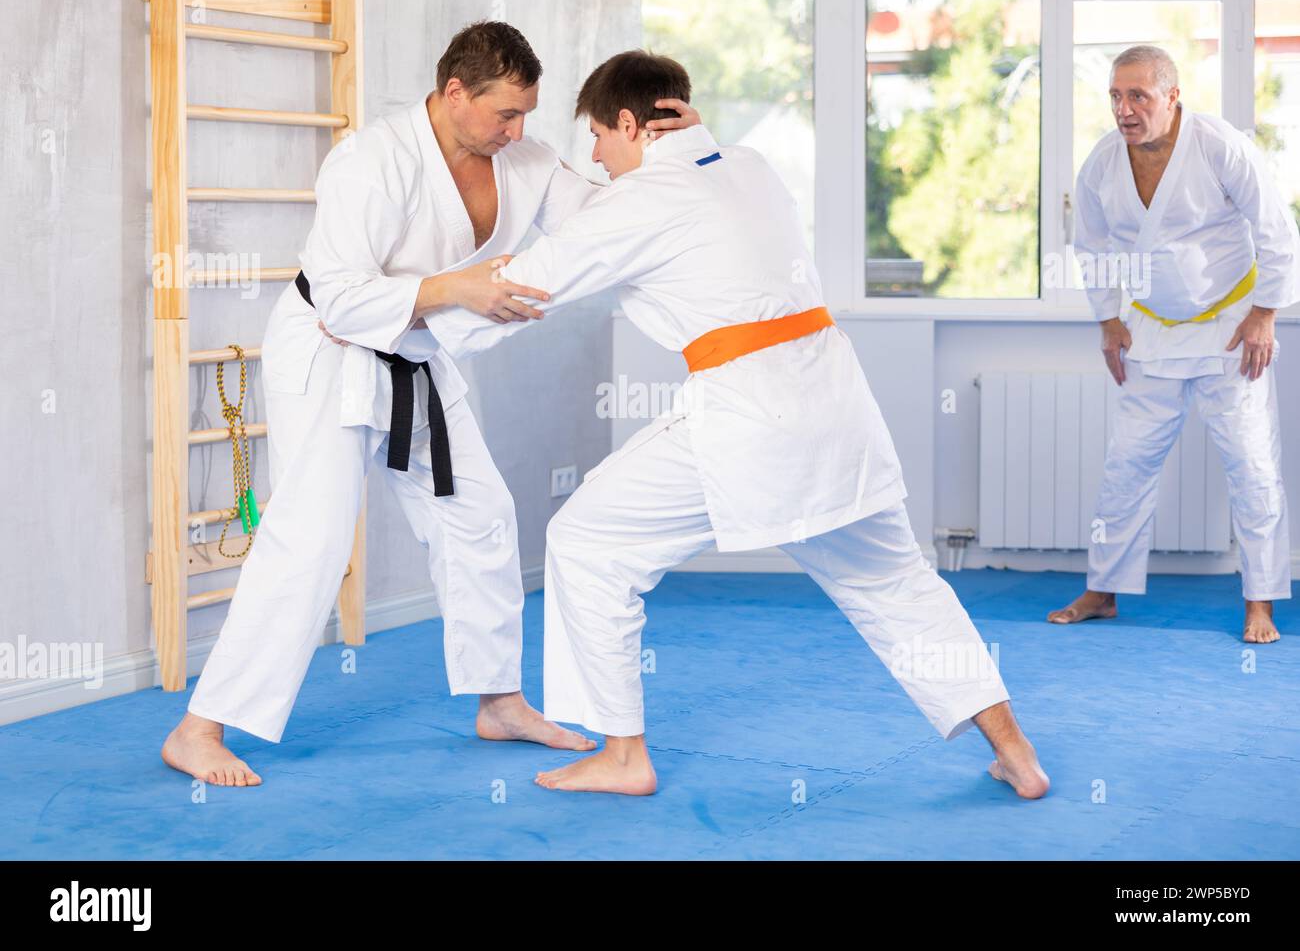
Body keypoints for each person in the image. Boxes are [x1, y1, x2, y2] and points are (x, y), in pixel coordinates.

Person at [416, 51, 1050, 799]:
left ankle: (623, 754)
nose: (593, 154)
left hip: (752, 415)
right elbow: (684, 186)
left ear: (630, 124)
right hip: (838, 404)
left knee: (585, 541)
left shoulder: (643, 200)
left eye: (597, 135)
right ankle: (1016, 752)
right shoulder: (749, 164)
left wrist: (408, 309)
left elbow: (524, 284)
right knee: (901, 585)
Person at [162, 22, 699, 786]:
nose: (519, 131)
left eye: (526, 115)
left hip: (415, 355)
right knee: (309, 539)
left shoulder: (524, 159)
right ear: (455, 92)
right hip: (332, 352)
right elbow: (341, 301)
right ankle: (199, 726)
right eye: (506, 114)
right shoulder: (371, 161)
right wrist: (459, 288)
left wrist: (682, 152)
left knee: (481, 515)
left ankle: (500, 700)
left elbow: (609, 217)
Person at [1050, 45, 1297, 644]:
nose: (1124, 109)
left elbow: (1276, 230)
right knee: (1126, 466)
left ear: (1172, 96)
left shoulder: (1221, 146)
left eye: (1138, 96)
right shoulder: (1104, 162)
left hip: (1232, 330)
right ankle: (1103, 589)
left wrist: (1265, 313)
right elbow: (1091, 245)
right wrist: (1108, 320)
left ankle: (1259, 600)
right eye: (1115, 96)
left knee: (1252, 464)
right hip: (1151, 329)